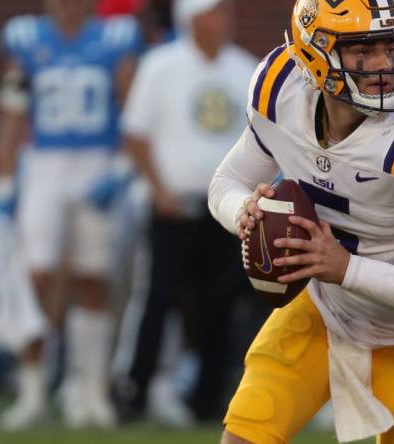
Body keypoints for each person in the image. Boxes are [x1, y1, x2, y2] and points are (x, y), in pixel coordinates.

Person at [208, 0, 394, 442]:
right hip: (321, 309)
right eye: (363, 50)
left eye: (391, 47)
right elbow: (227, 182)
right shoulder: (282, 88)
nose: (382, 64)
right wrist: (244, 211)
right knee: (244, 435)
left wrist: (346, 269)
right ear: (314, 55)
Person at [0, 0, 141, 430]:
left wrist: (121, 167)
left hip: (96, 159)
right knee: (36, 275)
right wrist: (4, 183)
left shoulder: (115, 37)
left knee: (92, 277)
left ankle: (88, 392)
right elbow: (12, 112)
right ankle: (31, 391)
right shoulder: (25, 37)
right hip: (44, 164)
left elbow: (132, 108)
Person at [117, 0, 257, 427]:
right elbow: (137, 135)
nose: (224, 19)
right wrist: (159, 190)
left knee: (219, 302)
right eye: (215, 12)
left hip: (225, 208)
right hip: (172, 204)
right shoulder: (161, 66)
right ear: (193, 18)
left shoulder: (246, 68)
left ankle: (209, 398)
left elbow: (261, 140)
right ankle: (137, 389)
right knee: (159, 296)